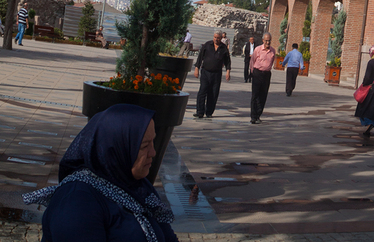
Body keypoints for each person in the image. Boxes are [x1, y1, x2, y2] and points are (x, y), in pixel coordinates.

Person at [24, 103, 180, 242]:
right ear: (117, 148)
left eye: (153, 141)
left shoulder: (137, 185)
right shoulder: (77, 200)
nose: (153, 152)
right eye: (144, 146)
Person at [192, 32, 231, 119]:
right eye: (215, 37)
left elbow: (227, 61)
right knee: (202, 91)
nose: (216, 39)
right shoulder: (207, 45)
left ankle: (209, 112)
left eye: (218, 38)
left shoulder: (223, 48)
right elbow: (200, 57)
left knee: (213, 93)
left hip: (217, 74)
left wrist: (228, 71)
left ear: (221, 38)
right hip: (206, 72)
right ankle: (199, 112)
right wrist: (196, 68)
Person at [248, 36, 276, 124]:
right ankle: (253, 116)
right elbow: (252, 61)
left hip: (266, 74)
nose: (268, 42)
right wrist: (253, 72)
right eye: (266, 41)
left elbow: (271, 62)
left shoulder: (273, 51)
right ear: (263, 40)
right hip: (257, 73)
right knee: (255, 95)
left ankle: (258, 115)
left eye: (269, 41)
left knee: (263, 95)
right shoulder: (258, 49)